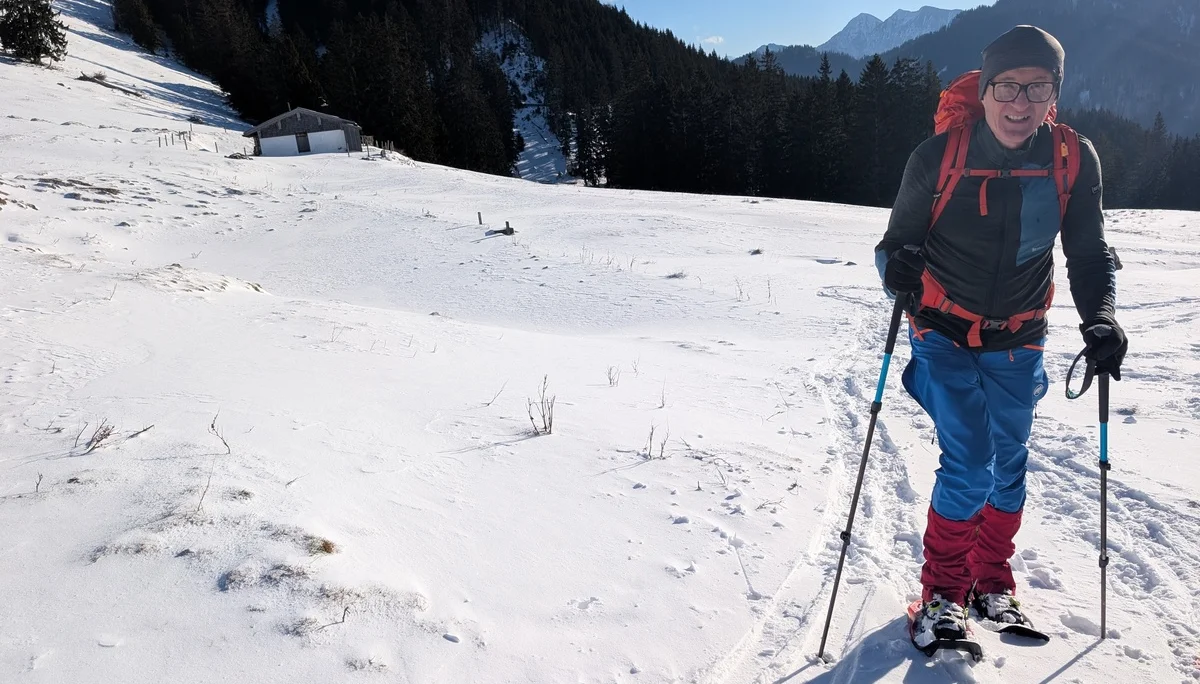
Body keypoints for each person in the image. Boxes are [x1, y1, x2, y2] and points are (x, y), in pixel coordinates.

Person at [874, 25, 1127, 651]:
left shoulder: (1071, 158)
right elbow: (893, 248)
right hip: (941, 331)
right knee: (972, 462)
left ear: (1055, 95)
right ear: (985, 91)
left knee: (1008, 467)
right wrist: (898, 270)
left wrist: (1101, 315)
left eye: (1037, 89)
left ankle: (991, 584)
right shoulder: (938, 157)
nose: (1021, 103)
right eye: (1008, 87)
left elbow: (1089, 252)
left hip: (1020, 337)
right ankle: (940, 595)